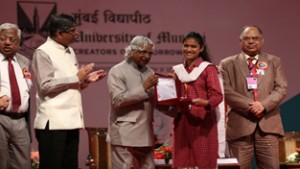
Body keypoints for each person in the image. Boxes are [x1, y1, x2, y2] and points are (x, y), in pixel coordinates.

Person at [31, 13, 106, 169]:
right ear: (59, 33)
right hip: (53, 123)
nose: (76, 34)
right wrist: (76, 77)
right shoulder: (43, 52)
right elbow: (45, 85)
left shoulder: (70, 51)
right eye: (73, 31)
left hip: (71, 121)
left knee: (70, 165)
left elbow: (69, 85)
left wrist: (84, 81)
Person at [219, 25, 288, 169]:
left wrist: (263, 105)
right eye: (247, 38)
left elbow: (281, 88)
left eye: (255, 38)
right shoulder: (227, 64)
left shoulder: (274, 61)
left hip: (268, 124)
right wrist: (251, 106)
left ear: (262, 41)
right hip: (240, 126)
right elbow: (225, 90)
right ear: (240, 42)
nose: (251, 41)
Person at [170, 32, 223, 169]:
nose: (189, 49)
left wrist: (205, 103)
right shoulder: (176, 70)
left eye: (193, 46)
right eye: (186, 45)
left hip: (203, 122)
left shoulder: (208, 69)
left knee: (203, 162)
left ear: (201, 48)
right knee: (182, 162)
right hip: (182, 121)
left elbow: (217, 95)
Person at [106, 35, 159, 169]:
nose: (147, 56)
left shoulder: (150, 72)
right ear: (131, 51)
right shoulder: (117, 71)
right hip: (125, 135)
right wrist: (144, 88)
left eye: (150, 53)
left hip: (146, 135)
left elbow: (156, 101)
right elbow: (117, 100)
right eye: (142, 52)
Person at [0, 23, 32, 169]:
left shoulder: (24, 61)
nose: (7, 42)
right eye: (2, 39)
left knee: (23, 163)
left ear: (18, 43)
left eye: (12, 40)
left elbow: (28, 88)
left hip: (20, 120)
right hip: (1, 118)